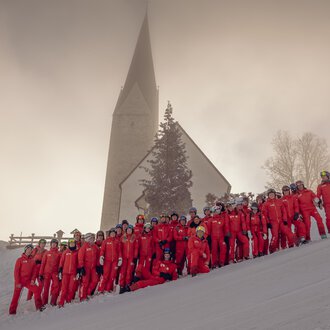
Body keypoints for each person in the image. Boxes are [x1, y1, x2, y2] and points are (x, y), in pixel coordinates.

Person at [9, 244, 44, 315]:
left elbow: (34, 272)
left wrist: (33, 280)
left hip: (28, 281)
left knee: (37, 290)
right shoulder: (20, 260)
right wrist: (18, 282)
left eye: (31, 249)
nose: (29, 250)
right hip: (20, 281)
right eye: (28, 249)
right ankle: (12, 311)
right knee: (16, 296)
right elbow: (16, 272)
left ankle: (39, 306)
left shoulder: (32, 260)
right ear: (25, 250)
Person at [263, 189, 294, 253]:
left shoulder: (279, 201)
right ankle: (272, 249)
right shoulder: (266, 204)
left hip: (281, 221)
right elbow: (264, 215)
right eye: (270, 195)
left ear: (275, 194)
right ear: (268, 195)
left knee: (288, 232)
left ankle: (291, 244)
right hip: (273, 222)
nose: (272, 195)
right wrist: (268, 223)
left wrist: (285, 220)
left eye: (273, 194)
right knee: (275, 236)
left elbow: (284, 211)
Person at [98, 228, 122, 293]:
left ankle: (108, 289)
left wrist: (120, 258)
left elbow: (119, 251)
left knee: (112, 276)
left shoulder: (117, 242)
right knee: (105, 275)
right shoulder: (105, 241)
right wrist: (101, 257)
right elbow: (102, 250)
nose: (113, 234)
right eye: (111, 233)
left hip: (115, 261)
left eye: (114, 233)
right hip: (107, 261)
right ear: (110, 234)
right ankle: (101, 289)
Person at [77, 233, 99, 301]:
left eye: (93, 238)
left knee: (95, 280)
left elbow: (98, 256)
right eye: (91, 238)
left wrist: (98, 265)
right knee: (85, 282)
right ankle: (82, 296)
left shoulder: (95, 247)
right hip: (86, 267)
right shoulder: (84, 247)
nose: (93, 240)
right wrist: (82, 267)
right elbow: (80, 257)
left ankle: (87, 293)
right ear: (88, 239)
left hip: (93, 268)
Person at [58, 239, 79, 307]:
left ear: (75, 244)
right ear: (69, 244)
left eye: (73, 243)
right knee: (64, 288)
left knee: (71, 288)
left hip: (73, 273)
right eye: (70, 243)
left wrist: (78, 271)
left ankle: (68, 300)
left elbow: (78, 262)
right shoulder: (65, 252)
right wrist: (60, 270)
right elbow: (62, 261)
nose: (72, 244)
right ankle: (61, 302)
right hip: (65, 273)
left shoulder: (77, 252)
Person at [39, 238, 61, 306]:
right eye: (52, 243)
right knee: (46, 287)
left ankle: (53, 301)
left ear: (57, 245)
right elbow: (43, 264)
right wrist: (40, 274)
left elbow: (60, 264)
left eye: (55, 243)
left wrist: (60, 272)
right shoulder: (47, 253)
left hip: (55, 273)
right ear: (51, 244)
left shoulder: (59, 253)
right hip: (47, 272)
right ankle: (44, 303)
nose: (53, 244)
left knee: (56, 286)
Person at [119, 225, 139, 293]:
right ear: (126, 230)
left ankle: (127, 284)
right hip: (124, 257)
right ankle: (122, 286)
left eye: (130, 230)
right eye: (128, 229)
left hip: (131, 257)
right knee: (123, 272)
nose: (129, 231)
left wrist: (135, 257)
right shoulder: (123, 237)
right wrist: (120, 257)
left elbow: (136, 248)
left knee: (129, 272)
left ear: (132, 230)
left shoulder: (134, 238)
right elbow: (120, 248)